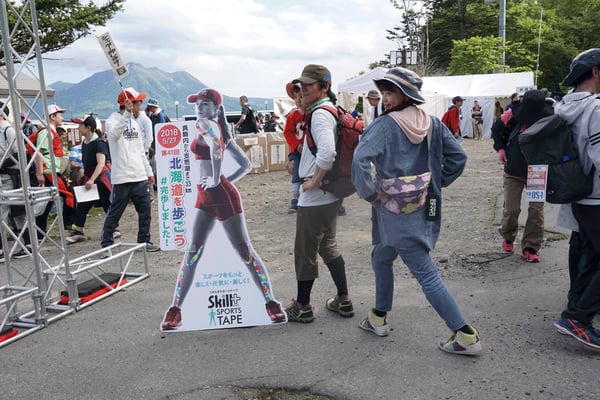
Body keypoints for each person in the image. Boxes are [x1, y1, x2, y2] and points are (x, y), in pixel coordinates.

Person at [351, 67, 481, 356]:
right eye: (384, 92)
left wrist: (370, 193)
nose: (385, 98)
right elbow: (459, 157)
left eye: (391, 92)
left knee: (425, 272)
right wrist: (436, 182)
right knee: (381, 256)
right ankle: (378, 316)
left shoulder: (385, 125)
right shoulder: (431, 123)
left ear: (407, 95)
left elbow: (359, 159)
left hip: (394, 209)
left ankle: (465, 334)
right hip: (428, 203)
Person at [161, 88, 285, 330]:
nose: (199, 108)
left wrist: (217, 179)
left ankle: (270, 302)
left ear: (217, 108)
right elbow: (245, 164)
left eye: (205, 104)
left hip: (220, 196)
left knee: (239, 250)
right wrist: (223, 180)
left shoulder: (207, 126)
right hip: (206, 196)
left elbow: (217, 148)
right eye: (197, 104)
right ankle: (175, 308)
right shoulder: (215, 127)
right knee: (199, 251)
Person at [283, 64, 353, 323]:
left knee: (305, 251)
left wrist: (314, 180)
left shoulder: (320, 114)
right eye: (300, 85)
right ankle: (343, 299)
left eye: (308, 85)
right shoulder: (330, 109)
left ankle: (302, 306)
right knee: (328, 245)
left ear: (324, 87)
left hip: (316, 196)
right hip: (332, 192)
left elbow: (327, 152)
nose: (302, 89)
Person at [552, 48, 600, 349]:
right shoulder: (596, 108)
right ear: (595, 72)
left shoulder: (565, 106)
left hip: (578, 194)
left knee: (590, 255)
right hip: (596, 196)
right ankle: (577, 318)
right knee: (589, 254)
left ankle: (576, 308)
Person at [491, 90, 552, 263]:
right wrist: (500, 149)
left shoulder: (551, 117)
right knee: (511, 209)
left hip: (537, 171)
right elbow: (496, 130)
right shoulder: (511, 114)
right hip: (513, 170)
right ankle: (508, 236)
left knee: (536, 211)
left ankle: (531, 247)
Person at [101, 87, 159, 252]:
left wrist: (148, 172)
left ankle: (144, 241)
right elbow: (113, 136)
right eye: (138, 101)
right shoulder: (112, 121)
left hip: (139, 175)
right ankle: (106, 244)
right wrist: (126, 114)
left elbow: (140, 150)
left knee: (145, 210)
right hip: (122, 176)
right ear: (129, 103)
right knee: (115, 212)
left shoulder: (135, 123)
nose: (141, 104)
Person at [66, 115, 112, 244]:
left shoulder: (99, 143)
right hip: (91, 177)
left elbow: (101, 163)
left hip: (101, 178)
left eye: (81, 125)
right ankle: (79, 231)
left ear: (89, 128)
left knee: (107, 203)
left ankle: (113, 229)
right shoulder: (85, 142)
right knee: (83, 204)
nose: (78, 127)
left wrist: (92, 179)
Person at [33, 104, 75, 236]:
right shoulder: (46, 132)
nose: (62, 117)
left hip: (50, 171)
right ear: (52, 117)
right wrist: (40, 172)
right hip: (49, 171)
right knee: (69, 195)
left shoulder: (51, 132)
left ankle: (40, 231)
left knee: (48, 201)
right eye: (60, 115)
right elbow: (39, 152)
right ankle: (68, 224)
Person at [0, 101, 30, 260]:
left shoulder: (8, 130)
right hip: (4, 176)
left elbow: (20, 154)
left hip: (11, 176)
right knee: (11, 213)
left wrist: (2, 164)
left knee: (17, 212)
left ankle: (27, 245)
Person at [283, 82, 305, 213]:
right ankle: (295, 198)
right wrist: (297, 145)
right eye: (296, 97)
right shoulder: (293, 116)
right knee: (296, 173)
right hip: (296, 151)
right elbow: (287, 132)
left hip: (310, 150)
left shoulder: (312, 114)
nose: (299, 100)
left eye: (302, 97)